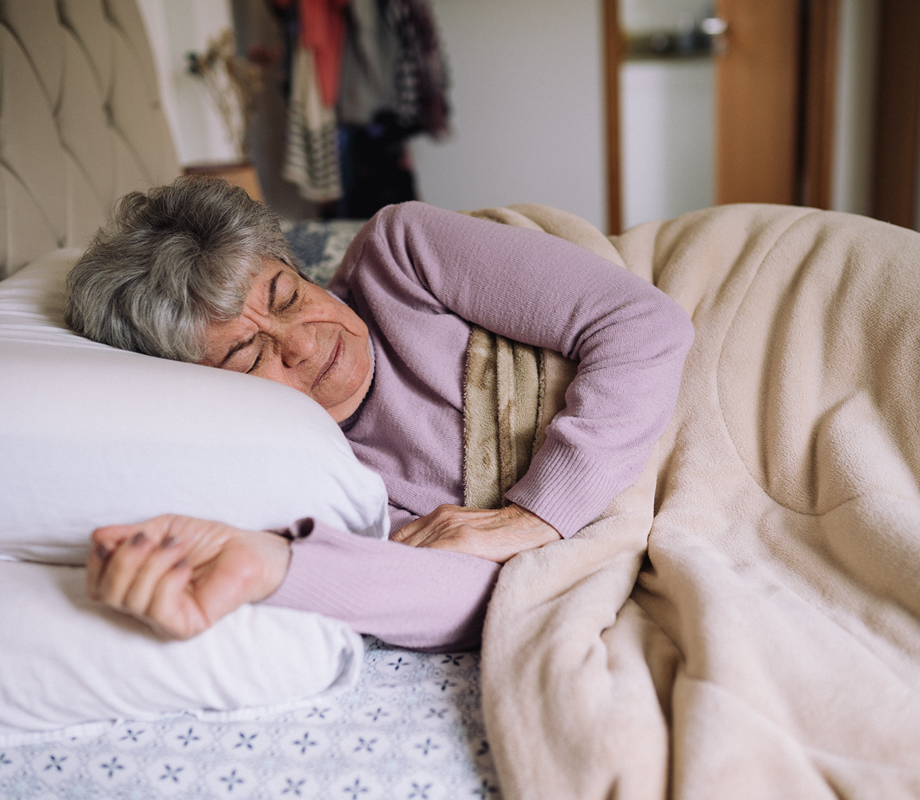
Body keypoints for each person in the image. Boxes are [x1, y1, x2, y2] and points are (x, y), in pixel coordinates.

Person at [66, 176, 693, 651]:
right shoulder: (311, 472)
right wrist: (270, 566)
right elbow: (471, 597)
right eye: (247, 355)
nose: (306, 343)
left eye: (287, 296)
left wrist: (533, 515)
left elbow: (645, 325)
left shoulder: (400, 252)